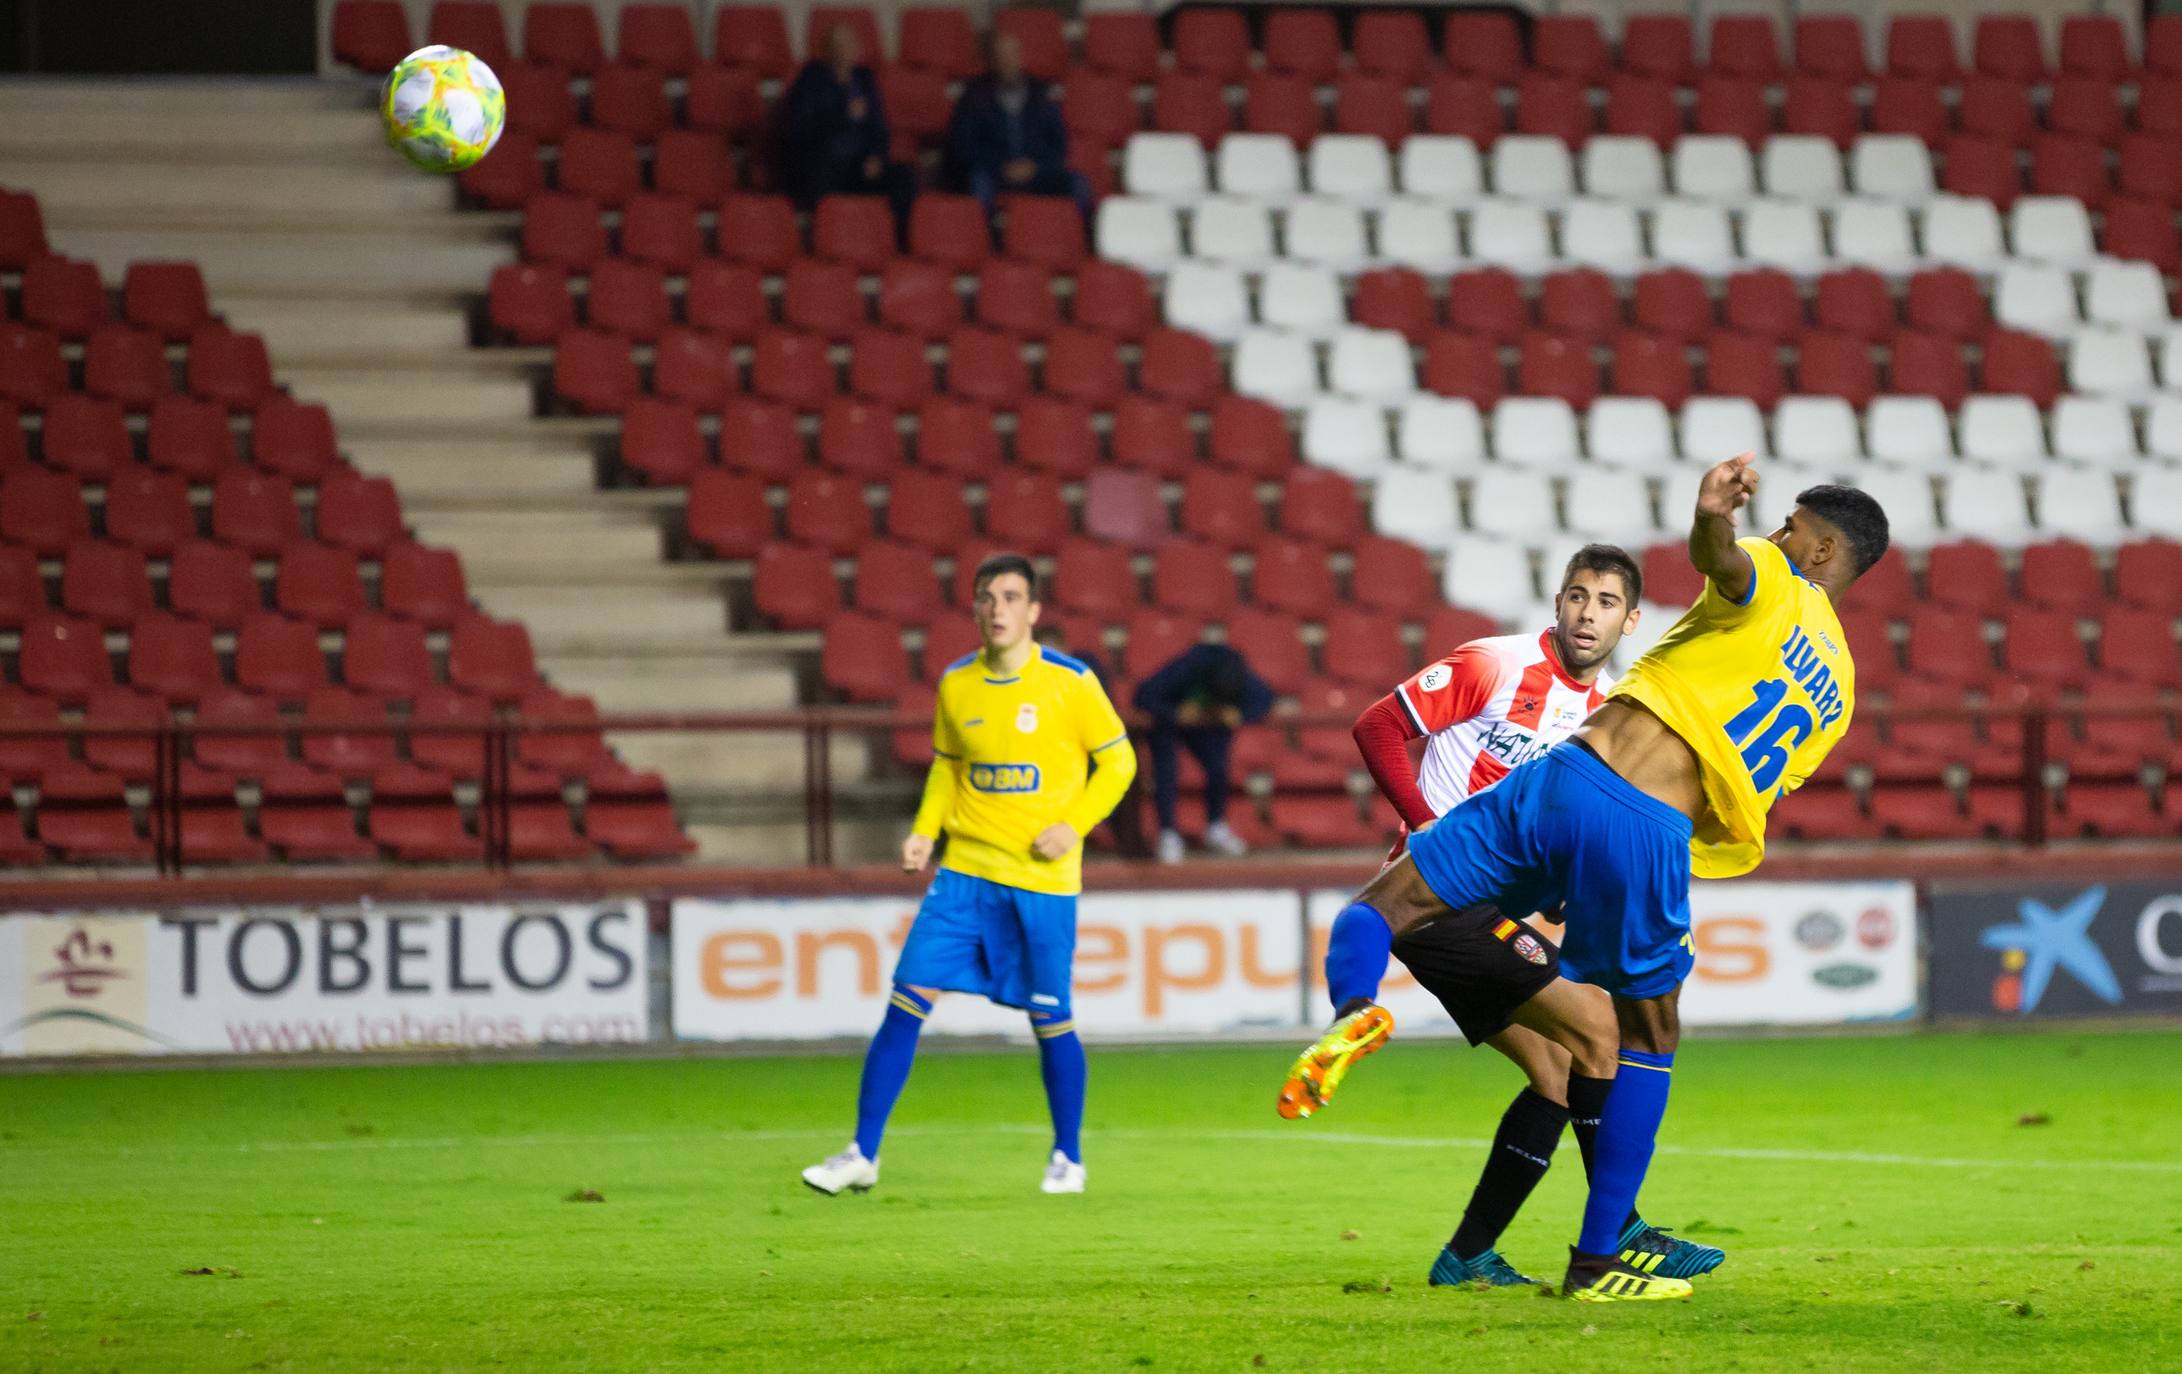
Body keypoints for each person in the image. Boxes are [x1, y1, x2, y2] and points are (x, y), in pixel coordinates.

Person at [1278, 458, 1888, 1302]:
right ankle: (1601, 1258)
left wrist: (1711, 513)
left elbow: (1725, 560)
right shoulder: (1841, 694)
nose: (1774, 536)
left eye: (1789, 528)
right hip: (1647, 822)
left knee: (1377, 910)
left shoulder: (1777, 575)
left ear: (1822, 552)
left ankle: (1354, 1011)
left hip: (1569, 770)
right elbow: (1749, 783)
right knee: (1641, 1037)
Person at [1338, 544, 1718, 1288]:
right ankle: (1623, 1229)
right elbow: (1378, 725)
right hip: (1441, 894)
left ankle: (1468, 1255)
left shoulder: (1610, 719)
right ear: (1557, 602)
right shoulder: (1494, 664)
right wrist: (1422, 824)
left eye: (1607, 603)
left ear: (1631, 621)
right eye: (1578, 595)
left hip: (1490, 906)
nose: (1588, 613)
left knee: (1558, 1069)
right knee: (1604, 1033)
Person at [802, 553, 1136, 1197]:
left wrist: (1076, 825)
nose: (999, 609)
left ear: (1034, 611)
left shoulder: (1071, 682)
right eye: (987, 598)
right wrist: (926, 831)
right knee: (905, 1003)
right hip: (964, 877)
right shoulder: (957, 683)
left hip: (1042, 884)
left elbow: (1118, 764)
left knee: (1051, 1019)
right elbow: (947, 768)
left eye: (1012, 597)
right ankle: (861, 1152)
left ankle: (1068, 1155)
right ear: (975, 609)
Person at [1130, 643, 1274, 864]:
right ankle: (1168, 833)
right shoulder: (1188, 667)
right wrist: (1175, 713)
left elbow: (1265, 698)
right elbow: (1143, 696)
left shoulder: (1239, 675)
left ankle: (1216, 827)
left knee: (1218, 767)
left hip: (1205, 727)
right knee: (1166, 770)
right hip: (1169, 723)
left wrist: (1239, 713)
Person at [943, 31, 1092, 222]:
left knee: (1078, 183)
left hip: (1037, 172)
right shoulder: (972, 97)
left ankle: (1081, 241)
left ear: (1020, 56)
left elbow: (1059, 145)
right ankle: (985, 244)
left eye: (1012, 54)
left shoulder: (1042, 94)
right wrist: (1001, 166)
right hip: (994, 172)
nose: (1007, 60)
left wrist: (1035, 167)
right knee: (977, 183)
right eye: (1001, 55)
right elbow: (964, 146)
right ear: (992, 60)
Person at [778, 24, 916, 229]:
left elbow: (879, 126)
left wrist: (876, 156)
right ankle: (832, 238)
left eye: (850, 44)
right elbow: (802, 130)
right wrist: (842, 115)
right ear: (827, 50)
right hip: (824, 162)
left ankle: (898, 241)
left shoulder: (864, 80)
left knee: (903, 176)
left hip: (860, 164)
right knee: (819, 174)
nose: (845, 50)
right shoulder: (810, 80)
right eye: (839, 45)